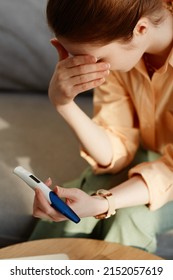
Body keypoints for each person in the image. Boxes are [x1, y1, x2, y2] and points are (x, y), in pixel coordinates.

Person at [29, 0, 173, 253]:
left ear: (140, 29)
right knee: (69, 211)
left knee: (130, 220)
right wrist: (64, 104)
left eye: (98, 57)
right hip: (148, 157)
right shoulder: (125, 51)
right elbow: (116, 151)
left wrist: (103, 203)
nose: (88, 64)